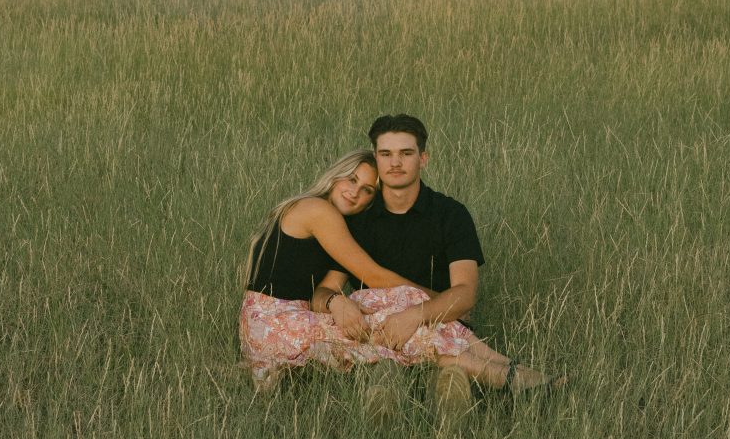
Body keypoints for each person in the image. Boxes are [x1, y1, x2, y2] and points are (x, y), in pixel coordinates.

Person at [312, 115, 560, 409]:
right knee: (385, 364)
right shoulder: (358, 219)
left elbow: (465, 293)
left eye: (406, 153)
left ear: (423, 158)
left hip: (438, 323)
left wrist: (415, 315)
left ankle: (446, 386)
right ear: (376, 159)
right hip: (381, 331)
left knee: (443, 363)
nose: (395, 163)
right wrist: (335, 303)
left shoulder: (450, 214)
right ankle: (393, 383)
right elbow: (324, 291)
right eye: (386, 154)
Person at [239, 148, 478, 393]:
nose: (355, 193)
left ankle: (467, 370)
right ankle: (500, 371)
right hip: (274, 325)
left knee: (381, 311)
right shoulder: (318, 210)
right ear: (335, 175)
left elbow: (329, 287)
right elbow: (372, 275)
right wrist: (442, 302)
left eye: (367, 190)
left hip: (280, 324)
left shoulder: (337, 221)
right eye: (352, 179)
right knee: (389, 325)